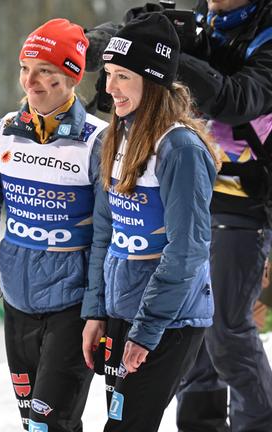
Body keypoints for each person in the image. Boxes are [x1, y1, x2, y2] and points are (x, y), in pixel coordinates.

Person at [0, 19, 107, 432]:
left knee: (50, 424)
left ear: (72, 76)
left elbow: (108, 236)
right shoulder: (2, 134)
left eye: (46, 70)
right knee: (32, 424)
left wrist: (102, 311)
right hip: (16, 303)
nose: (32, 81)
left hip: (73, 308)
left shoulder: (98, 141)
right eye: (26, 68)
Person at [80, 13, 220, 432]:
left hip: (169, 319)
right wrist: (96, 311)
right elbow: (106, 232)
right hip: (125, 307)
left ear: (152, 80)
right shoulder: (114, 138)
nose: (109, 88)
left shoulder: (179, 148)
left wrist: (146, 331)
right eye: (108, 75)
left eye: (122, 76)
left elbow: (187, 250)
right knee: (120, 421)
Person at [170, 1, 272, 430]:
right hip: (194, 197)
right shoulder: (200, 20)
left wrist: (169, 55)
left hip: (249, 202)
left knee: (227, 332)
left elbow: (236, 99)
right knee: (190, 332)